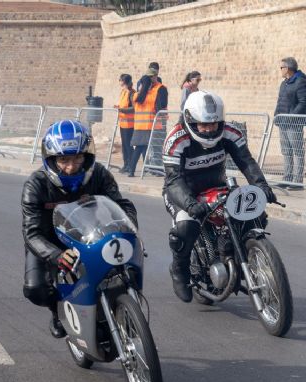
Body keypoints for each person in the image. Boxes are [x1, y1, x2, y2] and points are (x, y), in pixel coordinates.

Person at [21, 120, 138, 338]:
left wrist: (130, 231)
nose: (71, 166)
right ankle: (57, 310)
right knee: (34, 288)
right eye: (64, 160)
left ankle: (126, 311)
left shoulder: (100, 174)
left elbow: (122, 206)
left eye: (77, 158)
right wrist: (56, 255)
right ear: (52, 160)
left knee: (122, 271)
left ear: (87, 156)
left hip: (90, 235)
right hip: (50, 242)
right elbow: (32, 233)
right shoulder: (35, 185)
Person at [162, 91, 277, 303]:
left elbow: (246, 162)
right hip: (183, 192)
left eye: (214, 124)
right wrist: (189, 204)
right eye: (203, 125)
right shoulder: (176, 140)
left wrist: (261, 185)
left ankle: (235, 253)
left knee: (253, 215)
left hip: (218, 186)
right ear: (190, 120)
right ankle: (179, 270)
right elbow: (173, 181)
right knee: (186, 227)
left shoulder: (231, 132)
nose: (209, 129)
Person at [126, 68, 168, 177]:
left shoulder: (136, 95)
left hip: (138, 126)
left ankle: (133, 171)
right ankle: (142, 169)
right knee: (143, 148)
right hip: (148, 126)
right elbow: (159, 106)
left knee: (140, 148)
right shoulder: (151, 96)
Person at [274, 57, 306, 189]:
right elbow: (280, 101)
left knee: (297, 151)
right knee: (286, 151)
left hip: (294, 123)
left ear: (287, 69)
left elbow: (303, 102)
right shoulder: (284, 83)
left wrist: (290, 117)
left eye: (281, 67)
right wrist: (277, 115)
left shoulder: (300, 82)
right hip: (283, 122)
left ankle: (297, 181)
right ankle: (287, 178)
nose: (280, 70)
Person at [114, 74, 135, 173]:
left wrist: (121, 109)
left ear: (124, 81)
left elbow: (134, 109)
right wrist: (118, 107)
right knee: (124, 146)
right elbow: (122, 105)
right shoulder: (123, 92)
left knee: (128, 146)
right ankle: (126, 164)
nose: (119, 81)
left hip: (129, 125)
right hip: (123, 123)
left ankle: (130, 166)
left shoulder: (131, 93)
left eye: (120, 79)